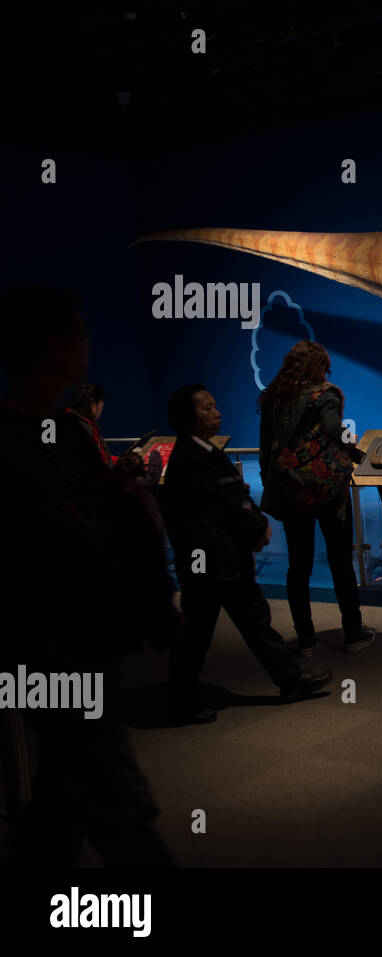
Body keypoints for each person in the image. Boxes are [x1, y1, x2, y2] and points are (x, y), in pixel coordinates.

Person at [0, 284, 176, 867]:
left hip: (81, 642)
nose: (89, 343)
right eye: (80, 333)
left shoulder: (62, 433)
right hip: (49, 648)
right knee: (112, 794)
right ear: (53, 347)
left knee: (62, 792)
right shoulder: (15, 442)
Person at [160, 383, 332, 725]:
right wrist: (255, 529)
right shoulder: (190, 460)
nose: (216, 412)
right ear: (188, 417)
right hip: (210, 564)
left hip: (225, 560)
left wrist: (256, 527)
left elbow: (234, 497)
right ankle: (181, 701)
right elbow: (222, 506)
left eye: (214, 405)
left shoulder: (206, 453)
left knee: (253, 621)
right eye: (207, 408)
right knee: (197, 633)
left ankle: (290, 680)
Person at [257, 341, 373, 656]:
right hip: (329, 492)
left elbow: (266, 448)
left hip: (292, 491)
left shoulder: (273, 399)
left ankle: (306, 640)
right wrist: (357, 448)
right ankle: (352, 632)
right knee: (340, 562)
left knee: (299, 566)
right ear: (319, 366)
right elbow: (337, 429)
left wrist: (273, 485)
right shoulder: (325, 394)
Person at [62, 382, 113, 472]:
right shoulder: (87, 429)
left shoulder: (58, 420)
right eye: (101, 406)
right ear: (92, 404)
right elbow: (99, 465)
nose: (101, 411)